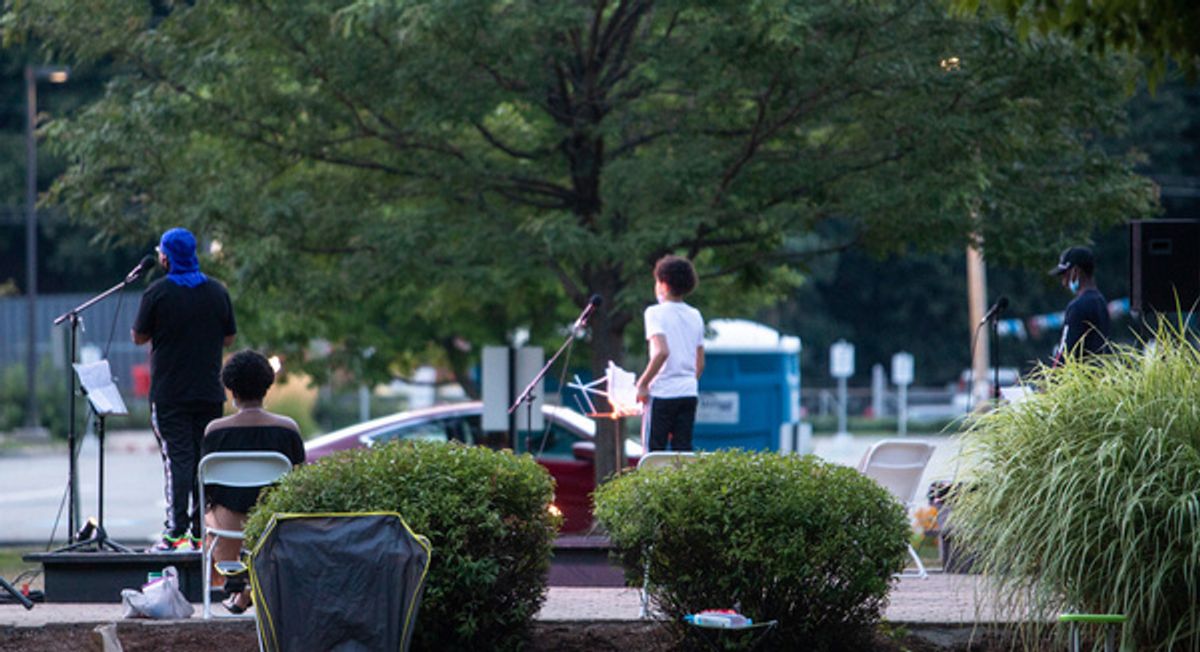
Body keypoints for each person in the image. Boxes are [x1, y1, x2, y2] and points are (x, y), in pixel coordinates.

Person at [132, 227, 237, 552]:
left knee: (177, 459)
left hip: (170, 393)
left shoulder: (157, 293)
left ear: (167, 257)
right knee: (202, 459)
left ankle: (174, 532)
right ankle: (197, 532)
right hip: (208, 391)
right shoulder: (217, 292)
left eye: (161, 252)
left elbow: (139, 336)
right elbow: (229, 337)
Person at [202, 349, 305, 613]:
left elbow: (207, 489)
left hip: (228, 527)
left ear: (231, 389)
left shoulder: (215, 431)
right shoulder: (287, 429)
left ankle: (238, 584)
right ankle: (252, 587)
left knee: (212, 514)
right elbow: (301, 480)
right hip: (275, 521)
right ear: (267, 387)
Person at [636, 255, 706, 452]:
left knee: (652, 453)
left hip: (662, 393)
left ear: (664, 284)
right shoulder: (695, 315)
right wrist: (686, 382)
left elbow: (661, 352)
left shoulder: (654, 313)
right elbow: (699, 363)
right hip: (688, 392)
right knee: (682, 453)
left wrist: (642, 384)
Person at [1050, 245, 1111, 364]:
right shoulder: (1101, 302)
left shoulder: (1077, 306)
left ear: (1075, 271)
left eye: (1065, 275)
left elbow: (1065, 352)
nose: (1063, 283)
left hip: (1080, 378)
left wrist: (1051, 378)